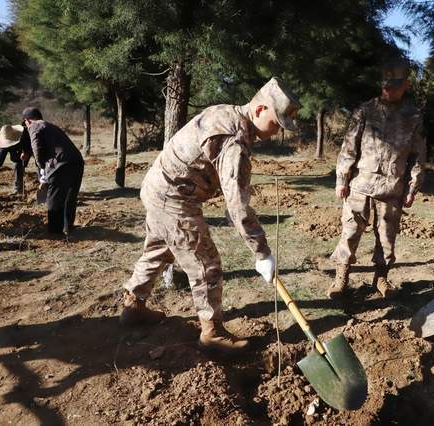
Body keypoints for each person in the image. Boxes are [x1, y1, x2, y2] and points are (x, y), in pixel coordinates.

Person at [121, 77, 301, 353]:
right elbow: (238, 207)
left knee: (160, 248)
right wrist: (262, 251)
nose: (276, 132)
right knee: (206, 264)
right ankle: (212, 333)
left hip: (159, 188)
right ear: (260, 109)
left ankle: (134, 305)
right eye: (276, 123)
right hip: (174, 198)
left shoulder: (226, 112)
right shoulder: (234, 142)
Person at [328, 58, 426, 299]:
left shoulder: (413, 116)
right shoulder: (365, 111)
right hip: (360, 185)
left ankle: (381, 277)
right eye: (385, 85)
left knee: (387, 236)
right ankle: (341, 276)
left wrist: (413, 186)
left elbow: (418, 153)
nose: (388, 89)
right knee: (350, 231)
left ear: (405, 85)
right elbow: (349, 147)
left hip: (393, 187)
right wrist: (342, 179)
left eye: (393, 85)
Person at [21, 107, 85, 236]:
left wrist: (42, 171)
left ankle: (55, 233)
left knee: (54, 199)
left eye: (25, 123)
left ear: (27, 120)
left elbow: (37, 150)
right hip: (77, 161)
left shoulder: (34, 126)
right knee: (69, 197)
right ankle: (68, 227)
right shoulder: (50, 126)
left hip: (60, 164)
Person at [0, 124, 32, 194]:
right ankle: (19, 189)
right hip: (18, 156)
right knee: (18, 165)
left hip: (33, 149)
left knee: (39, 165)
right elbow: (1, 155)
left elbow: (33, 144)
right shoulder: (5, 140)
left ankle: (43, 185)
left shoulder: (25, 134)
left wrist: (26, 152)